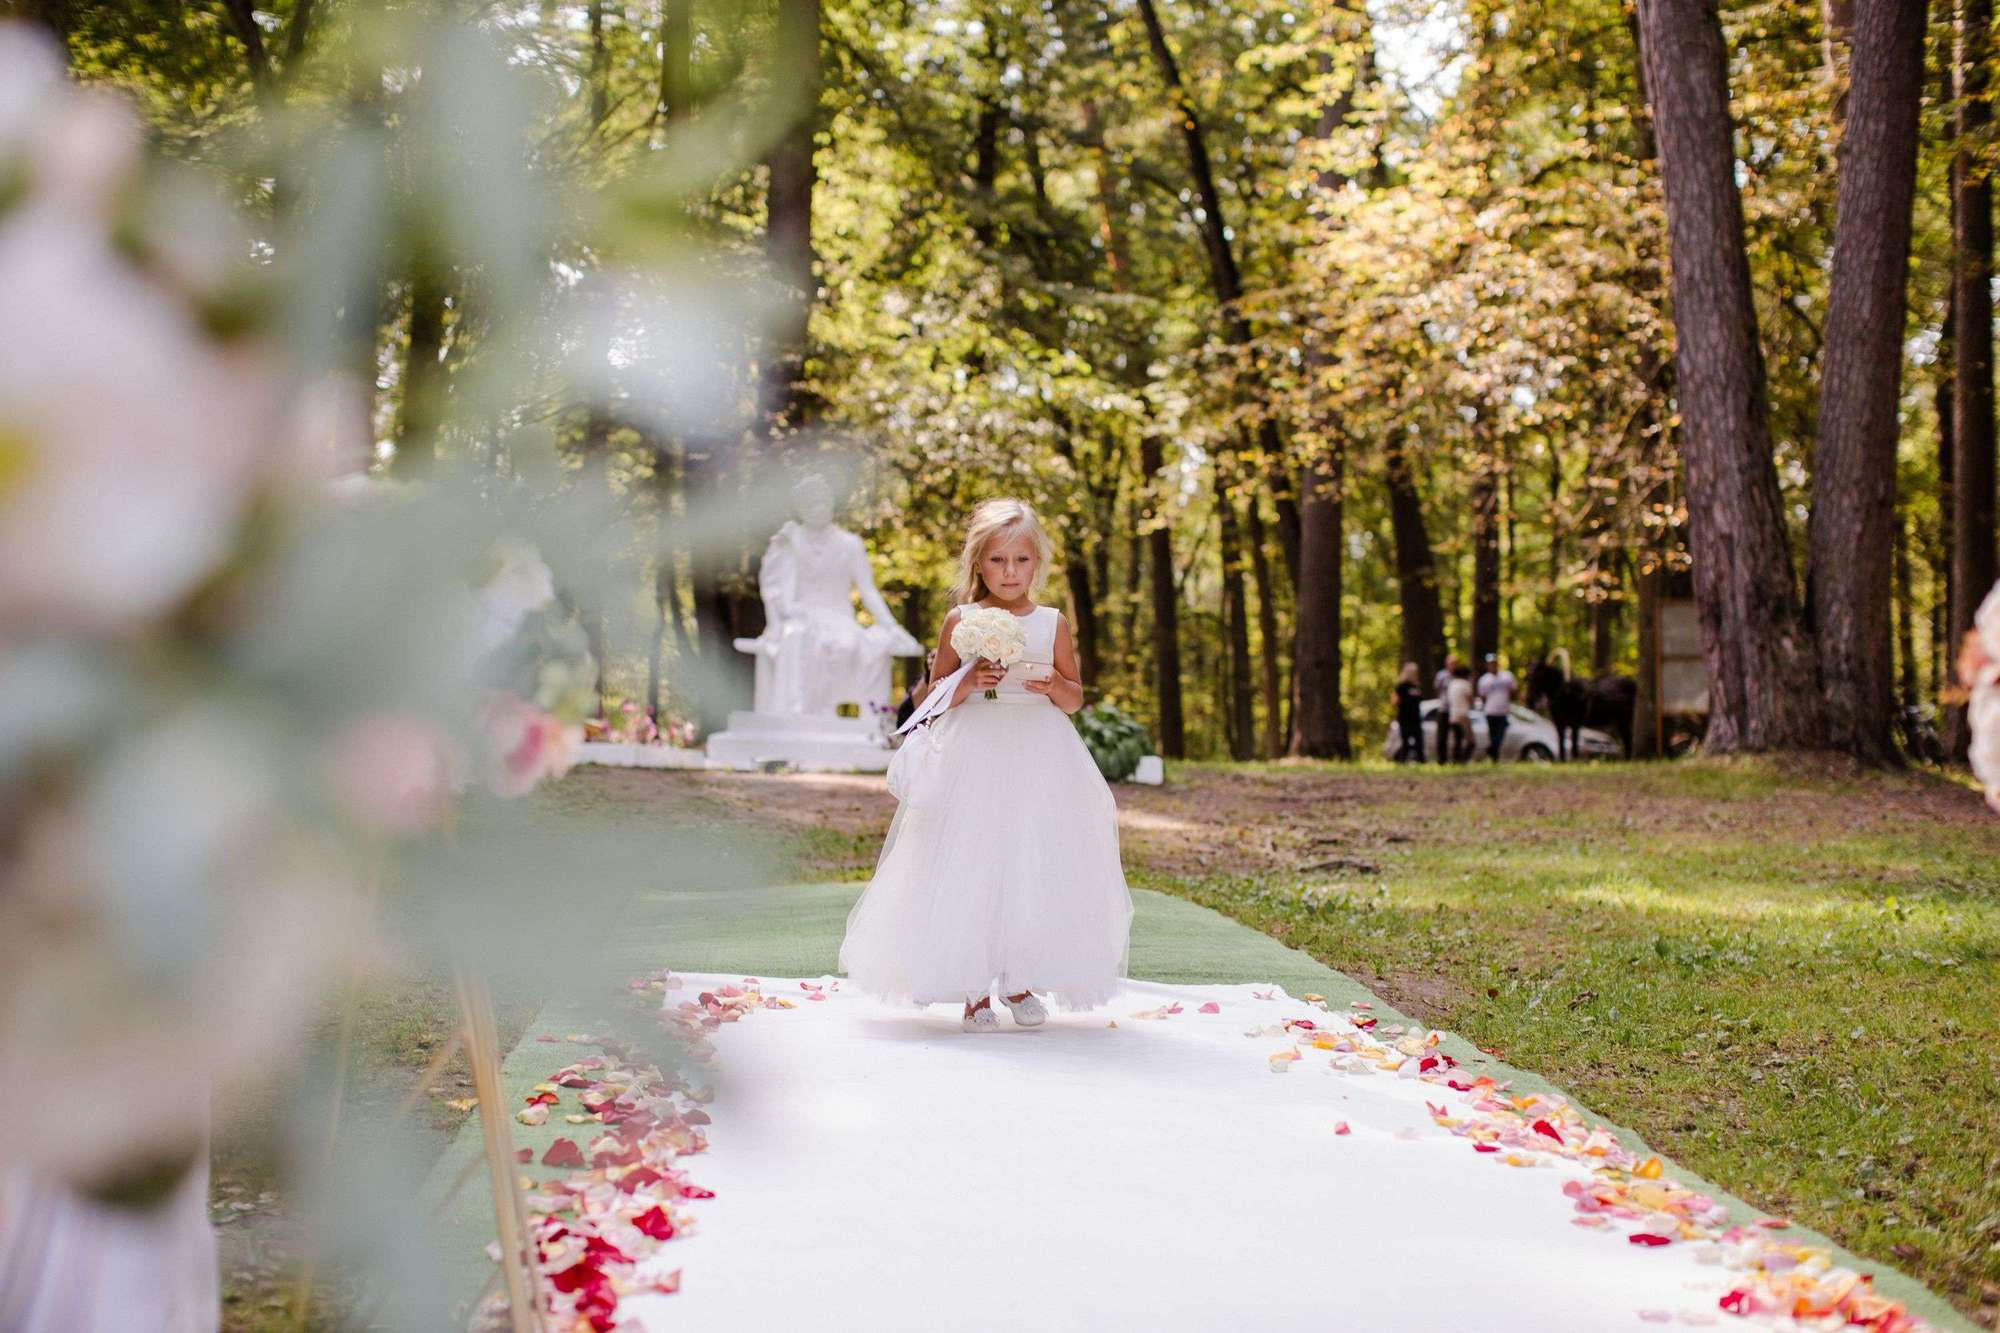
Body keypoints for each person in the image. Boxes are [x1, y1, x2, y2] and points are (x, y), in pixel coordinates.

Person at [839, 499, 1134, 1032]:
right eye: (998, 561)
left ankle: (1019, 977)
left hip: (1039, 754)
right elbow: (931, 700)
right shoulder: (962, 619)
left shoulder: (1052, 623)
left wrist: (1053, 686)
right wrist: (967, 681)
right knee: (971, 857)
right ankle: (974, 989)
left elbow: (1074, 699)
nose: (1010, 573)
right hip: (973, 753)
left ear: (1036, 564)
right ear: (979, 563)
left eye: (1021, 561)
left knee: (1028, 857)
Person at [1477, 652, 1518, 762]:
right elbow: (1482, 696)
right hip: (1490, 711)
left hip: (1503, 711)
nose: (1492, 665)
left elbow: (1514, 691)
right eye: (1490, 663)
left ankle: (1491, 749)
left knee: (1500, 733)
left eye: (1494, 663)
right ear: (1487, 665)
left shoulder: (1507, 676)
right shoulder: (1484, 680)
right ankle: (1494, 758)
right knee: (1493, 734)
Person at [892, 649, 937, 732]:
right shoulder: (923, 680)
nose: (930, 660)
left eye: (934, 657)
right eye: (929, 657)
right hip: (910, 725)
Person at [1392, 662, 1425, 763]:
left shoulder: (1417, 686)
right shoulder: (1401, 686)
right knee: (1405, 740)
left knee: (1419, 740)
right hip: (1404, 717)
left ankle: (1421, 761)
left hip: (1416, 717)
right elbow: (1394, 701)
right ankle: (1402, 761)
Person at [1433, 654, 1460, 766]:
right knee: (1441, 736)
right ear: (1446, 664)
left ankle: (1456, 760)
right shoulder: (1441, 675)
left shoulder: (1459, 676)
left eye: (1455, 663)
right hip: (1444, 709)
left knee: (1458, 735)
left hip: (1456, 709)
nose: (1453, 666)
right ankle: (1441, 760)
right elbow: (1437, 688)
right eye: (1451, 663)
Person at [1446, 663, 1475, 763]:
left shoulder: (1452, 684)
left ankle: (1456, 760)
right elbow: (1471, 700)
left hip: (1453, 715)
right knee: (1471, 741)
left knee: (1457, 740)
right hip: (1463, 715)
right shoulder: (1465, 684)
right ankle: (1463, 760)